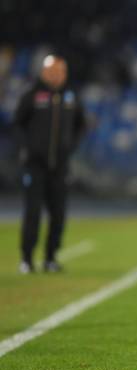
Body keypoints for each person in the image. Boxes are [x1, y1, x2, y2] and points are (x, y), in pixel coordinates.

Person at [13, 55, 86, 274]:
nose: (58, 75)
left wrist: (70, 146)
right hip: (35, 166)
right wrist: (26, 148)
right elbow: (17, 124)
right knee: (32, 213)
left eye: (61, 71)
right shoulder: (32, 95)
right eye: (53, 71)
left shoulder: (71, 97)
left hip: (60, 166)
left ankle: (51, 258)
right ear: (44, 72)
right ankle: (26, 259)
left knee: (58, 213)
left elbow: (81, 125)